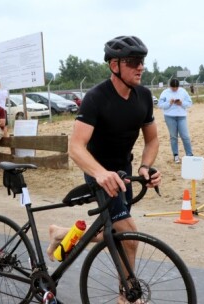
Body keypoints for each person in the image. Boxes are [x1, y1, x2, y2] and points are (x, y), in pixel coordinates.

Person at [48, 35, 161, 303]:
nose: (140, 67)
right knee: (129, 237)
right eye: (133, 62)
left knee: (116, 232)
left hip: (124, 171)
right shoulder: (96, 98)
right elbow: (75, 147)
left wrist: (146, 167)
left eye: (142, 61)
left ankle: (62, 234)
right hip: (97, 170)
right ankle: (127, 297)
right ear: (114, 65)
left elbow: (152, 139)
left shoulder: (144, 97)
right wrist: (99, 173)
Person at [157, 78, 194, 164]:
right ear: (170, 86)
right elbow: (160, 105)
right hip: (169, 116)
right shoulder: (165, 92)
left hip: (181, 116)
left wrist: (181, 103)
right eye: (173, 88)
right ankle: (176, 155)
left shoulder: (183, 91)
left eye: (176, 87)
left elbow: (189, 103)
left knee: (185, 136)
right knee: (173, 136)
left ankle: (189, 155)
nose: (175, 89)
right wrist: (169, 103)